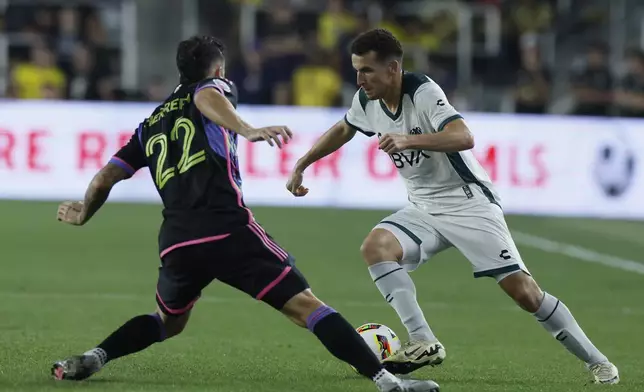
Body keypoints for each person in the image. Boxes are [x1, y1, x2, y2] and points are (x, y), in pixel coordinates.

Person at [51, 35, 439, 392]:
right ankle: (388, 382)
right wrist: (247, 129)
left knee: (168, 321)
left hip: (177, 241)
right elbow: (206, 97)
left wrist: (84, 212)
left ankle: (94, 356)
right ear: (219, 70)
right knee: (308, 307)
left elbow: (104, 177)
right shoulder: (213, 88)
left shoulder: (148, 125)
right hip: (225, 227)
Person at [286, 28, 619, 385]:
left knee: (525, 293)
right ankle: (422, 340)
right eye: (356, 69)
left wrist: (408, 138)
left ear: (393, 69)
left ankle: (599, 362)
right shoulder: (367, 101)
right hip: (423, 207)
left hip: (468, 203)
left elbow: (464, 137)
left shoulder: (423, 92)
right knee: (376, 246)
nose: (359, 78)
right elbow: (344, 128)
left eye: (367, 70)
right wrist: (303, 163)